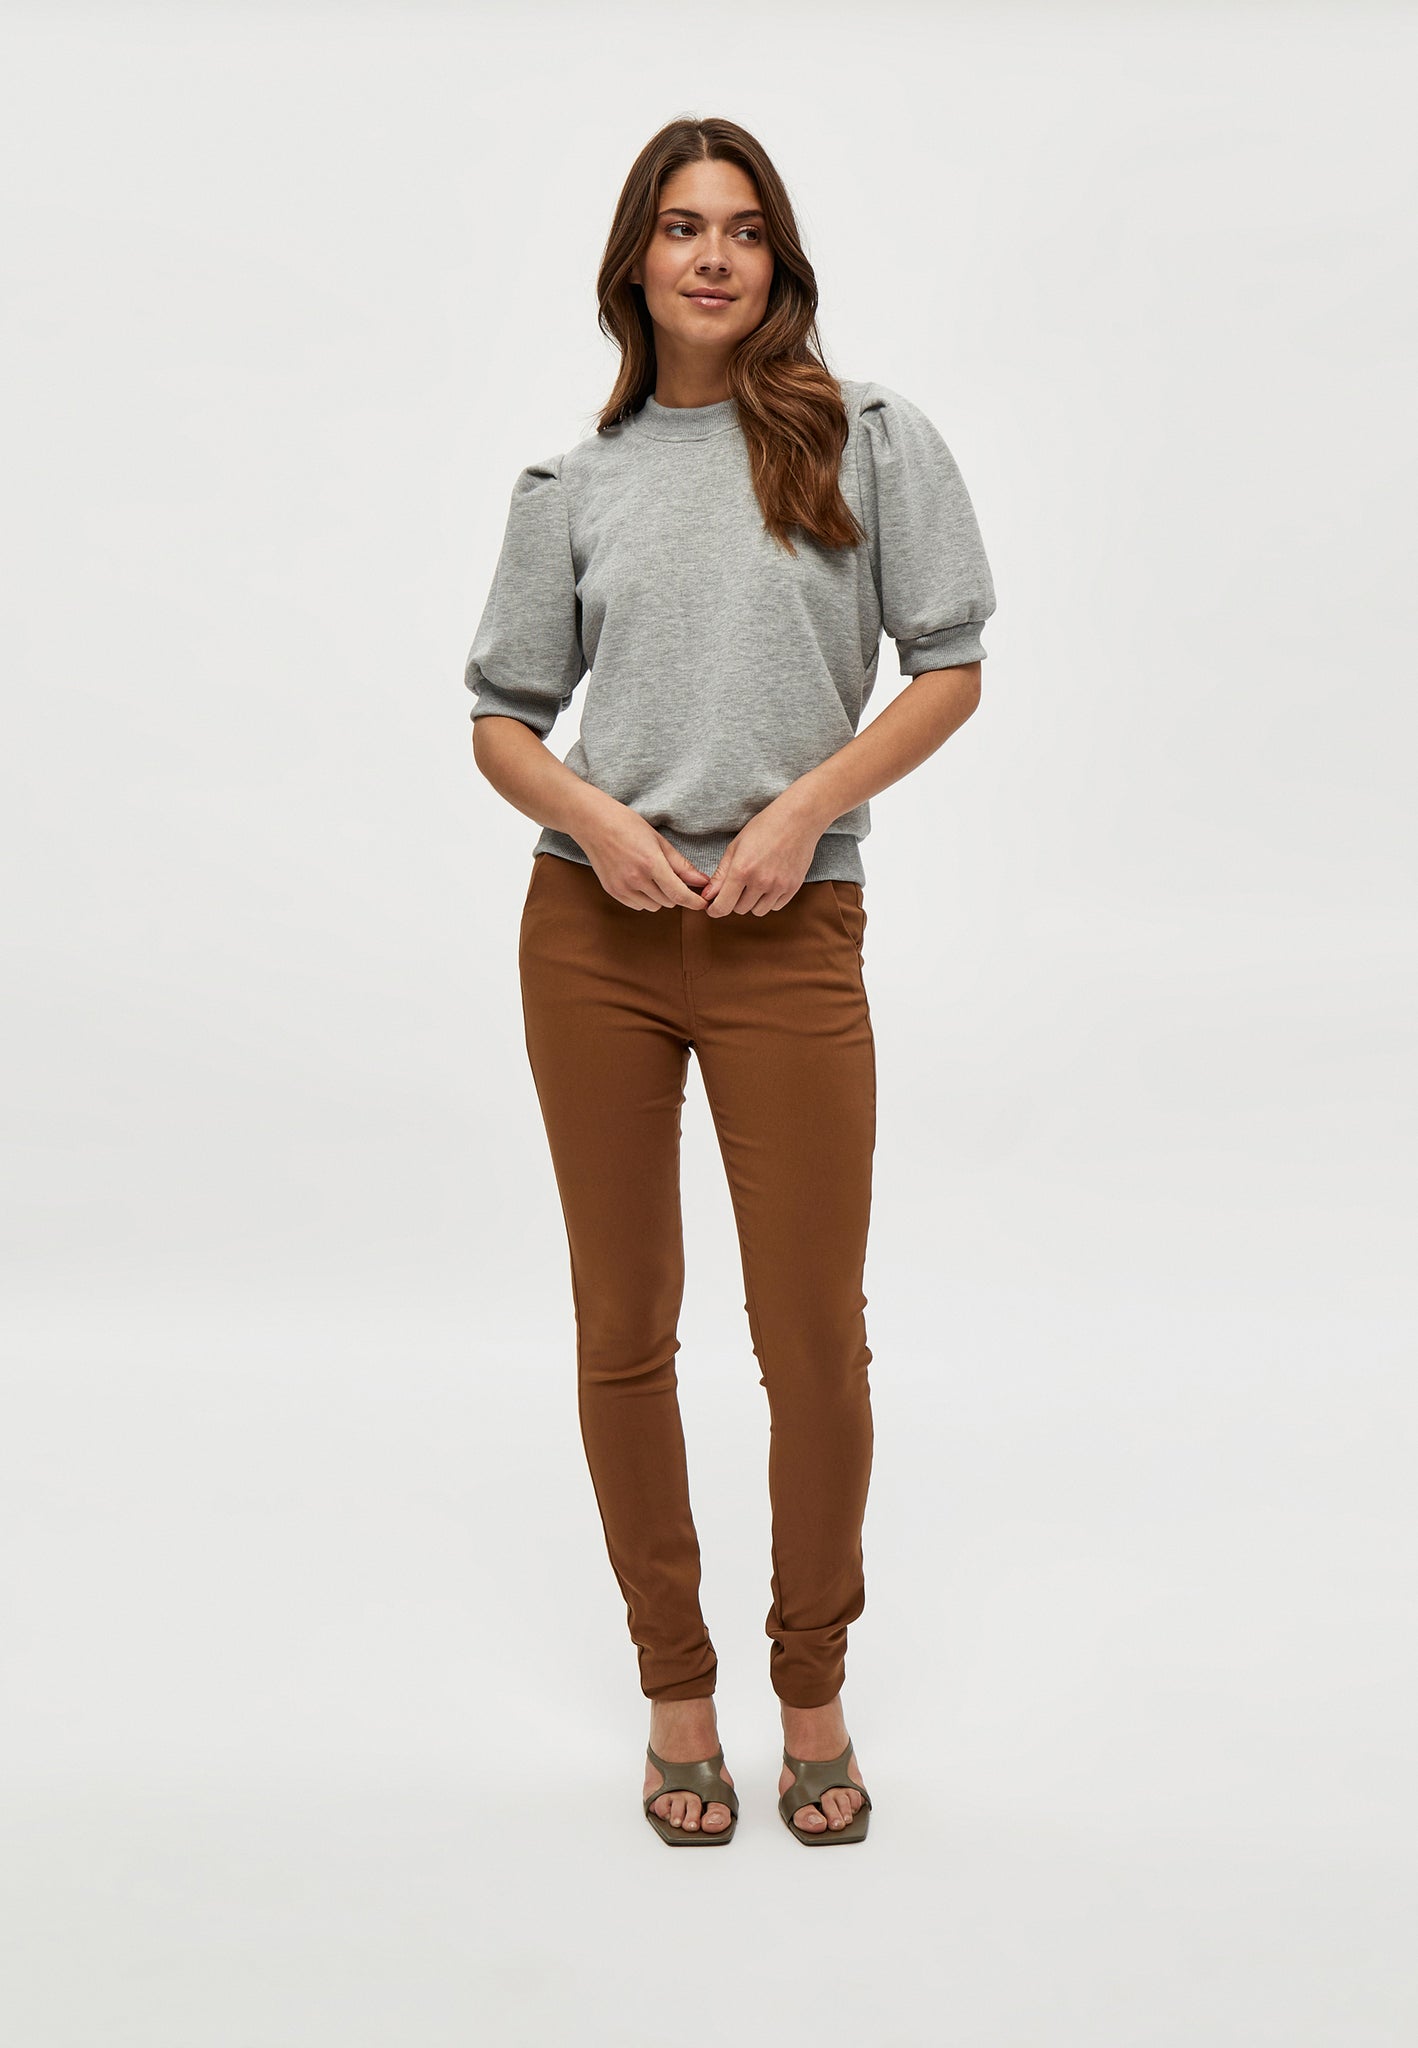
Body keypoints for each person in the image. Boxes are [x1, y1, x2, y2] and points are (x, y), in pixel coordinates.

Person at [463, 115, 996, 1847]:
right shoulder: (569, 488)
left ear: (779, 261)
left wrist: (802, 811)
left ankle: (812, 1688)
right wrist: (595, 821)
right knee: (623, 1331)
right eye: (683, 226)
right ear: (634, 261)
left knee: (810, 1336)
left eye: (745, 229)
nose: (713, 255)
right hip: (593, 937)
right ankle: (674, 1694)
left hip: (789, 936)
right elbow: (501, 719)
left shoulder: (866, 439)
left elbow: (948, 667)